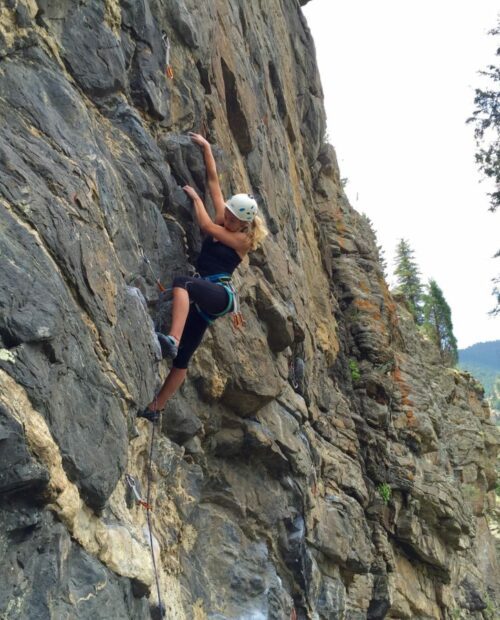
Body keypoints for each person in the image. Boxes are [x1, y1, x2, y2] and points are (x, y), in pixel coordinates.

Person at [138, 133, 268, 422]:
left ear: (245, 223)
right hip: (205, 298)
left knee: (182, 282)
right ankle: (155, 408)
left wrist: (196, 199)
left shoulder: (243, 240)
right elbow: (213, 182)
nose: (228, 219)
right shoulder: (229, 216)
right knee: (184, 357)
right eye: (229, 214)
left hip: (220, 294)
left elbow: (207, 225)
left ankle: (171, 337)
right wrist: (207, 147)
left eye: (234, 218)